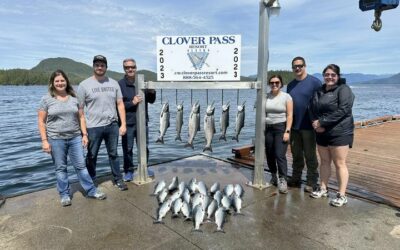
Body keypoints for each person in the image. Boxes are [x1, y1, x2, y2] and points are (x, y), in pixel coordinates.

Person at [38, 69, 106, 206]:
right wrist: (44, 141)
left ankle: (91, 190)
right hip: (56, 139)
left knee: (81, 166)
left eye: (62, 80)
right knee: (61, 168)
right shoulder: (46, 99)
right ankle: (64, 194)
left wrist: (84, 135)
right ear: (52, 83)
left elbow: (81, 117)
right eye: (57, 81)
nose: (60, 83)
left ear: (66, 82)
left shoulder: (74, 97)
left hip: (75, 137)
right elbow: (41, 121)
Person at [77, 55, 128, 191]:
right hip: (93, 127)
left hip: (112, 126)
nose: (100, 67)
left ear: (106, 67)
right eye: (97, 65)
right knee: (92, 155)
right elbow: (80, 110)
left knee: (114, 154)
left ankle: (118, 179)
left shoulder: (114, 83)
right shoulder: (83, 85)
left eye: (102, 65)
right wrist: (84, 132)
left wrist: (123, 124)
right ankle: (92, 179)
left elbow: (120, 104)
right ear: (93, 66)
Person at [309, 64, 355, 207]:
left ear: (338, 76)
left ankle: (342, 195)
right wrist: (315, 123)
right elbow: (311, 108)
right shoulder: (319, 90)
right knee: (324, 161)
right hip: (322, 133)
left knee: (339, 163)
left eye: (333, 75)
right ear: (323, 76)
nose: (329, 77)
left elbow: (344, 110)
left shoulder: (344, 89)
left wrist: (322, 122)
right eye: (327, 74)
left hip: (339, 132)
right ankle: (323, 188)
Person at [286, 56, 322, 192]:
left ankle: (312, 181)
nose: (297, 68)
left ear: (305, 66)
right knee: (296, 155)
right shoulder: (290, 85)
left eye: (300, 65)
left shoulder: (315, 82)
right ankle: (296, 178)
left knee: (310, 155)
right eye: (295, 66)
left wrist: (320, 121)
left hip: (309, 126)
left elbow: (321, 103)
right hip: (294, 126)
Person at [118, 58, 156, 182]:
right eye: (127, 67)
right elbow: (118, 105)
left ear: (136, 67)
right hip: (128, 123)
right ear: (124, 69)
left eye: (132, 67)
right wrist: (132, 103)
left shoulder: (142, 81)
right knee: (128, 148)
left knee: (144, 147)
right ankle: (128, 171)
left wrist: (152, 91)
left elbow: (151, 100)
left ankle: (144, 167)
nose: (130, 69)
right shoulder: (120, 84)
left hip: (142, 121)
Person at [265, 74, 293, 194]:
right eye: (272, 82)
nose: (274, 84)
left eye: (277, 82)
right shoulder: (266, 96)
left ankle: (283, 180)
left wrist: (287, 131)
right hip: (268, 128)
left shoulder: (286, 97)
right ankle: (273, 176)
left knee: (279, 154)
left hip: (281, 128)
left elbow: (290, 115)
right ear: (269, 84)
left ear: (281, 84)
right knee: (270, 154)